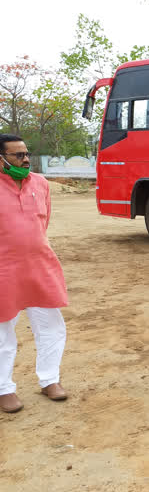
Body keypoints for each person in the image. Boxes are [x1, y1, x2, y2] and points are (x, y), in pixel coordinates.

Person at [0, 134, 69, 413]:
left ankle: (50, 380)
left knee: (51, 326)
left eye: (26, 154)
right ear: (2, 159)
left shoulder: (40, 184)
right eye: (17, 155)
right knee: (3, 333)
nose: (25, 159)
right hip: (4, 270)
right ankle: (4, 389)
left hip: (40, 265)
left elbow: (44, 222)